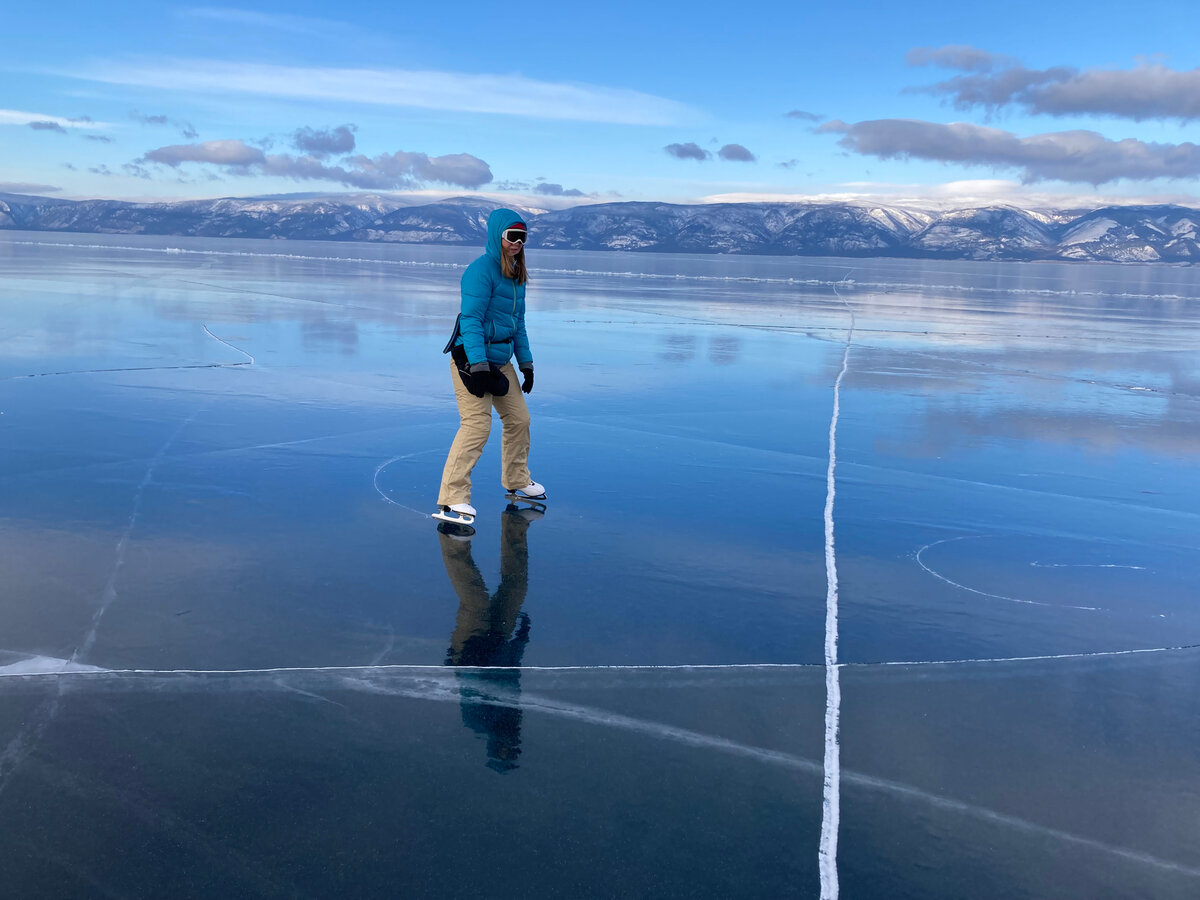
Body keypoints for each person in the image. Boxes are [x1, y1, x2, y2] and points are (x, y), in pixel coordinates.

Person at [433, 208, 545, 526]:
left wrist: (527, 364)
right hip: (471, 360)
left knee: (519, 419)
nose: (518, 243)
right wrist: (479, 364)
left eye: (523, 237)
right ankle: (453, 496)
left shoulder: (516, 273)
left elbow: (518, 324)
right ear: (498, 237)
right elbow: (470, 319)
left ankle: (517, 479)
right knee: (476, 425)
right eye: (512, 236)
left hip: (501, 361)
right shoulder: (480, 271)